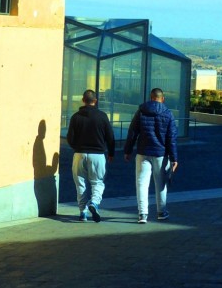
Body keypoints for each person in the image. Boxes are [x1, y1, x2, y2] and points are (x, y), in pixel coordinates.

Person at [124, 88, 179, 224]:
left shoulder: (141, 111)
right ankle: (162, 212)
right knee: (161, 184)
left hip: (143, 152)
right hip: (161, 154)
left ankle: (142, 214)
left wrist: (128, 150)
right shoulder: (168, 114)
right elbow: (171, 138)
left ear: (151, 97)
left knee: (142, 184)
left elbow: (132, 132)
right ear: (162, 99)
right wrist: (174, 158)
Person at [65, 89, 115, 222]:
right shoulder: (102, 116)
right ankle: (94, 202)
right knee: (97, 182)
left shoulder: (76, 117)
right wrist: (111, 153)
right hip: (97, 154)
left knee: (80, 184)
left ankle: (83, 212)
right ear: (95, 101)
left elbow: (70, 138)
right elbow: (110, 137)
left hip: (79, 154)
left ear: (83, 100)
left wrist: (77, 147)